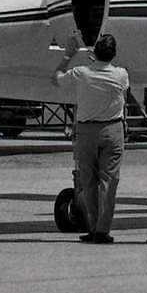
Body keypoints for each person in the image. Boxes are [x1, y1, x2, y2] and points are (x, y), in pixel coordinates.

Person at [53, 32, 131, 244]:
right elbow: (121, 87)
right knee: (109, 182)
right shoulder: (121, 75)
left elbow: (57, 79)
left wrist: (68, 56)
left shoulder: (81, 73)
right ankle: (102, 231)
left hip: (87, 132)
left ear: (95, 53)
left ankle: (92, 225)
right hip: (113, 130)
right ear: (113, 54)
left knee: (88, 182)